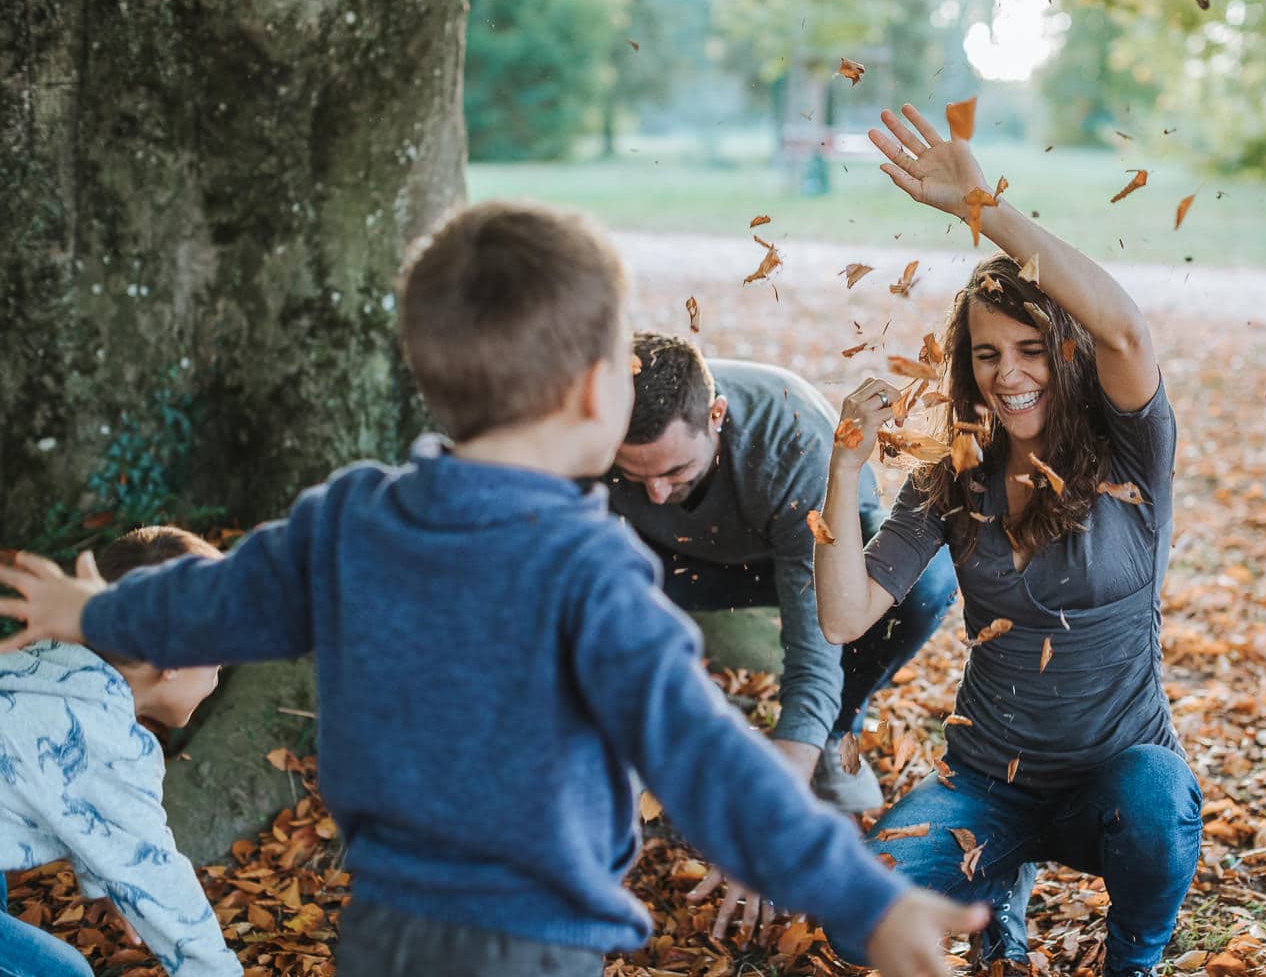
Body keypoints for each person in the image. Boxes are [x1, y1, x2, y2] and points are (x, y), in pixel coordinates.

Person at [0, 200, 987, 977]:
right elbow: (709, 759)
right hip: (532, 943)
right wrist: (868, 900)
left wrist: (88, 614)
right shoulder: (593, 573)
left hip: (380, 927)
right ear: (601, 391)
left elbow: (203, 607)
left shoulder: (348, 519)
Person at [813, 104, 1202, 977]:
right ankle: (1001, 902)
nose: (1010, 374)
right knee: (854, 921)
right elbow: (842, 616)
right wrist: (845, 470)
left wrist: (978, 207)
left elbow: (1126, 330)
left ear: (1065, 352)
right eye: (988, 356)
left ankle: (1132, 960)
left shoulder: (1132, 454)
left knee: (1157, 796)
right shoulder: (952, 475)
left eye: (1031, 348)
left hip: (1114, 780)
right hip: (987, 780)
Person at [612, 334, 1019, 943]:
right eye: (634, 475)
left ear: (716, 416)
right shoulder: (597, 421)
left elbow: (816, 641)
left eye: (675, 470)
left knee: (926, 584)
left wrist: (776, 808)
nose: (658, 494)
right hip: (674, 564)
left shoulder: (787, 436)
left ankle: (832, 731)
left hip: (798, 551)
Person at [1, 526, 240, 977]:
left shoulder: (46, 667)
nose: (221, 667)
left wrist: (106, 881)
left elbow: (67, 796)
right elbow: (163, 886)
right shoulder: (112, 746)